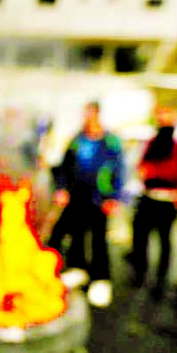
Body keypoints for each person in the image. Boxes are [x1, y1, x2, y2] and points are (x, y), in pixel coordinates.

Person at [47, 101, 124, 308]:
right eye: (85, 114)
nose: (87, 117)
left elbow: (120, 169)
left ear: (99, 115)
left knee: (99, 238)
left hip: (100, 196)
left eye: (91, 114)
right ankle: (77, 268)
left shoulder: (111, 142)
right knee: (76, 233)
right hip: (76, 194)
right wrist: (61, 188)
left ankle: (100, 279)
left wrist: (115, 197)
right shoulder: (76, 139)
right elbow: (64, 166)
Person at [128, 103, 177, 300]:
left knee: (164, 242)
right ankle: (140, 273)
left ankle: (160, 281)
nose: (162, 119)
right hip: (149, 196)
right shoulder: (153, 141)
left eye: (166, 115)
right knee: (140, 236)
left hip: (168, 199)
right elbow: (143, 165)